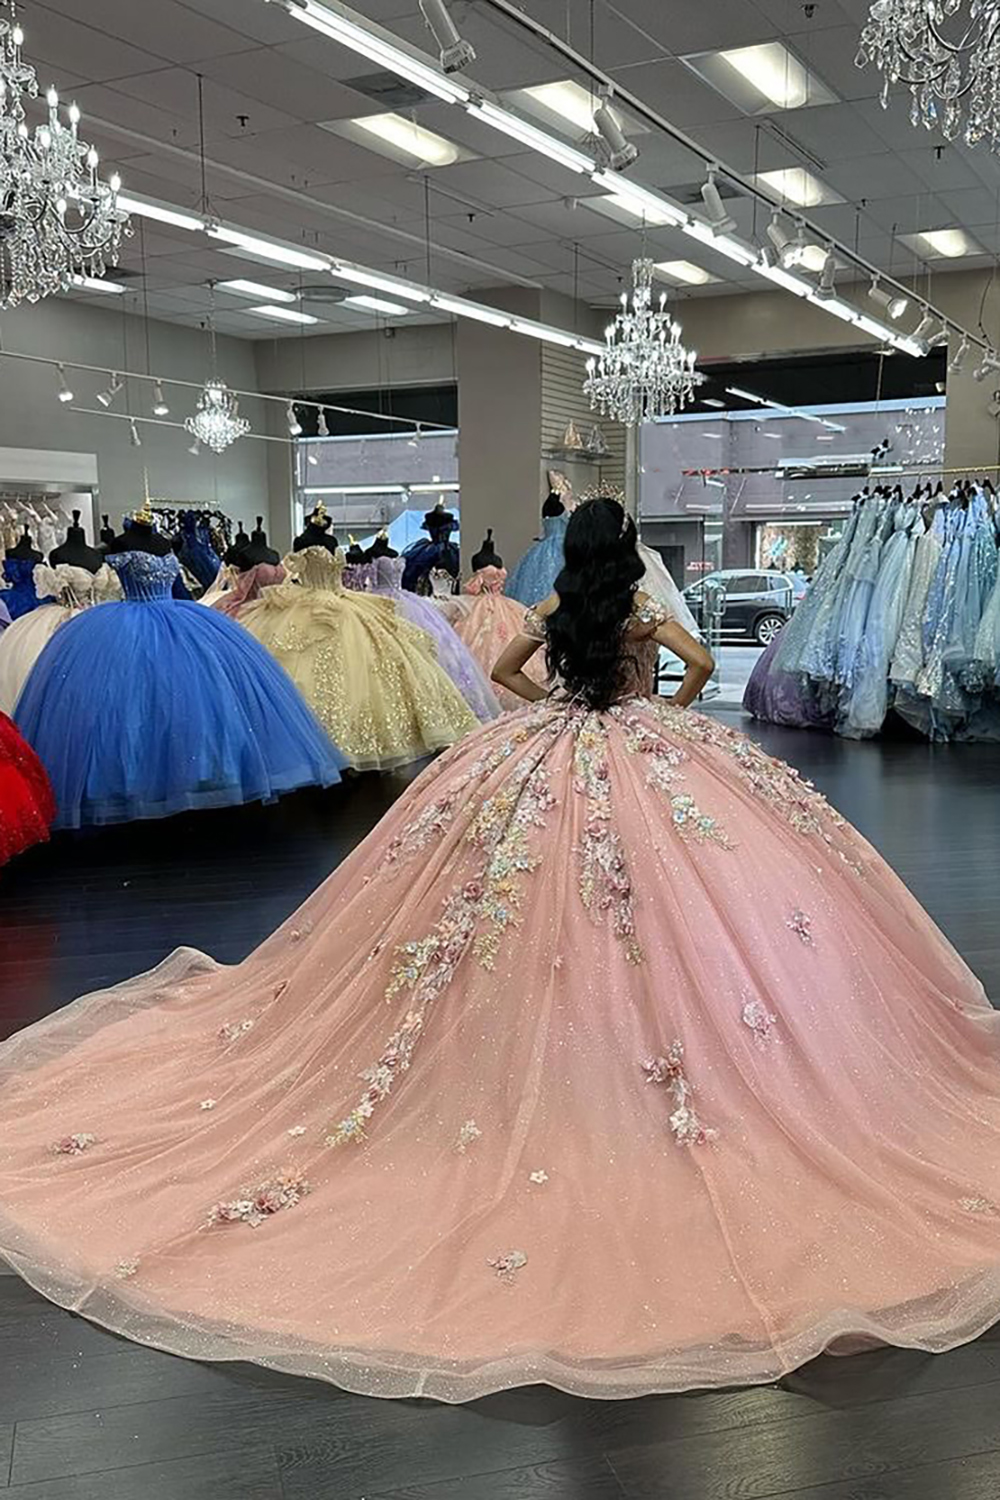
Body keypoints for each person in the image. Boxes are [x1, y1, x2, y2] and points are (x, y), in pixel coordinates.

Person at [1, 497, 1000, 1403]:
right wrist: (664, 712)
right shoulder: (641, 615)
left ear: (574, 552)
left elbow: (502, 671)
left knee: (495, 908)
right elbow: (697, 668)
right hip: (641, 746)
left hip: (550, 747)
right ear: (630, 554)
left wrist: (549, 713)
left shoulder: (559, 602)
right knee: (690, 912)